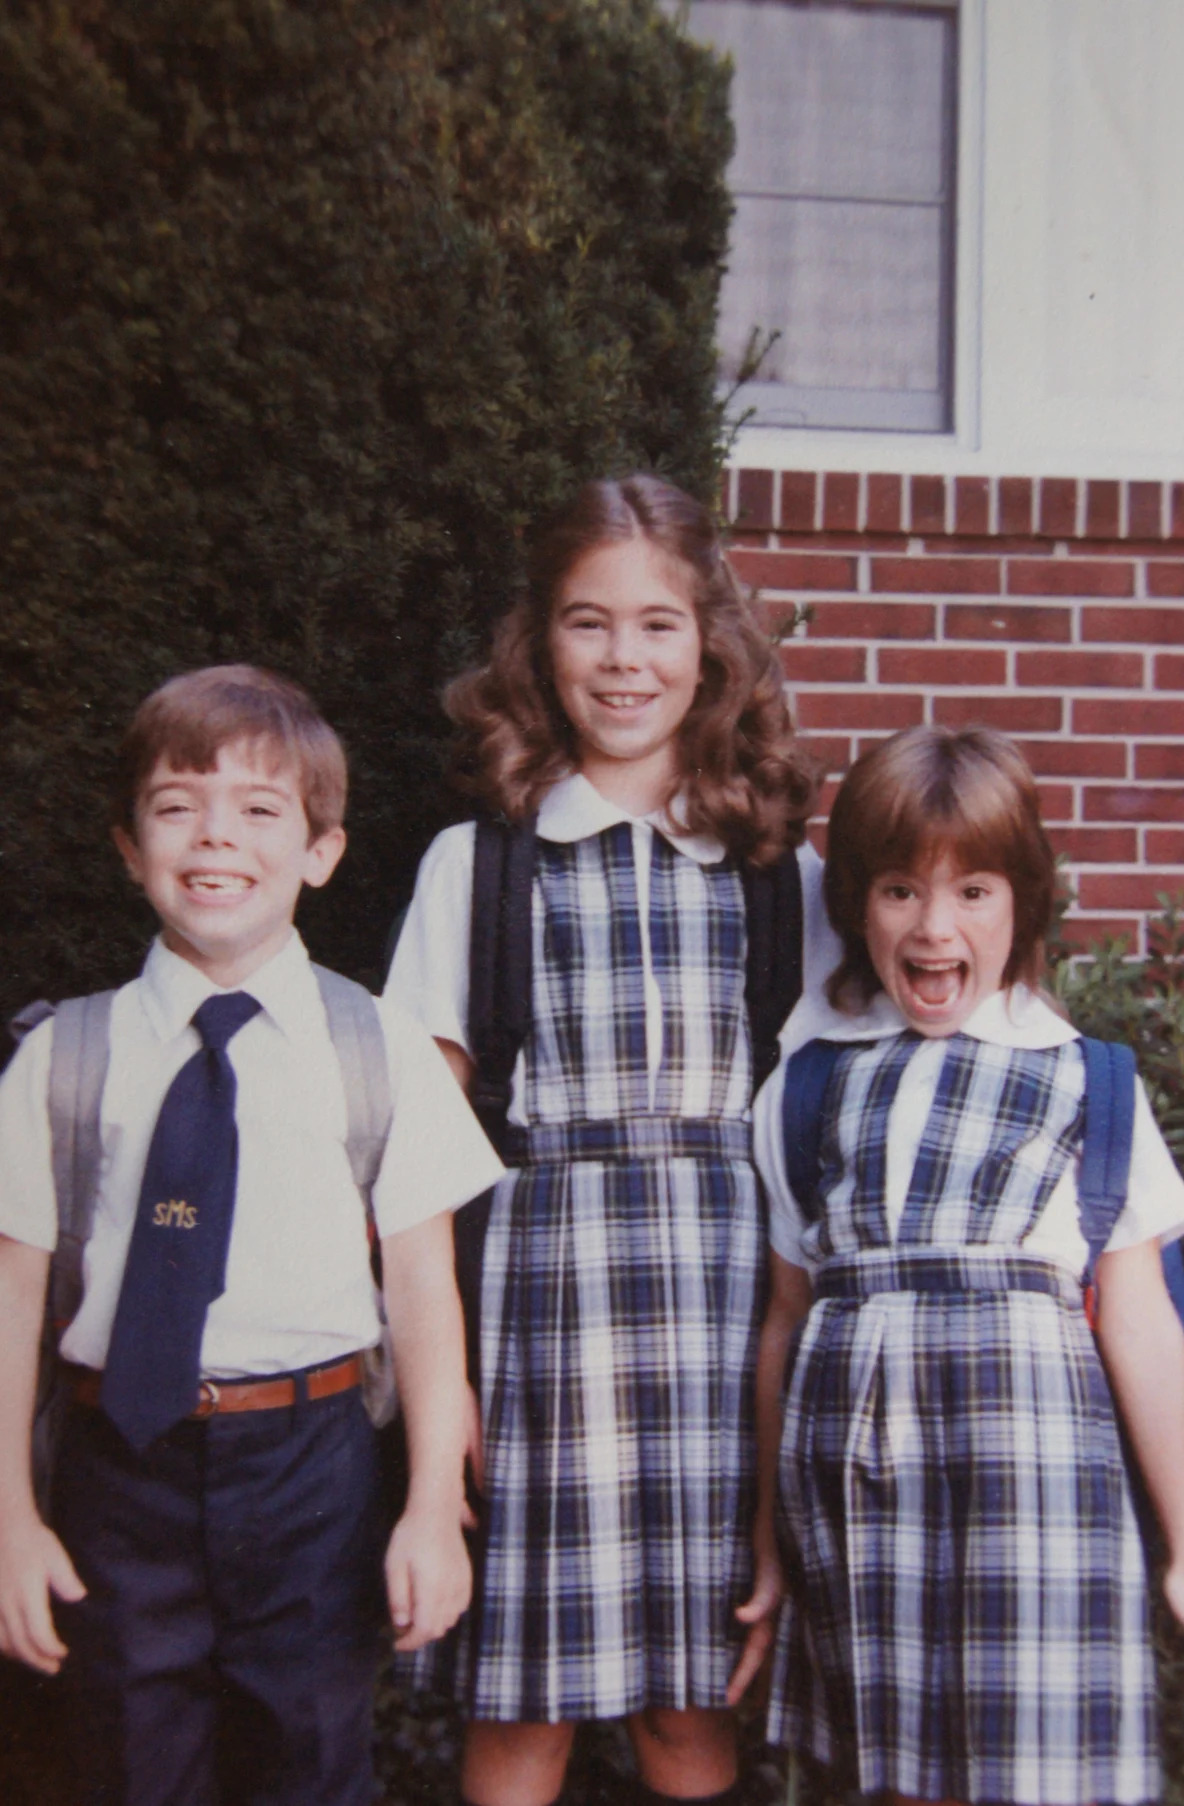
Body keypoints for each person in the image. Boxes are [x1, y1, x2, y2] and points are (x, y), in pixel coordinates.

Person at [385, 474, 840, 1806]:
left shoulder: (782, 879)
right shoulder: (482, 866)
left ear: (713, 648)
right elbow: (416, 1165)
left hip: (726, 1333)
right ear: (540, 645)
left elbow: (839, 1126)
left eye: (658, 624)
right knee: (521, 1710)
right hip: (540, 1324)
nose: (624, 659)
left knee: (687, 1712)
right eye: (589, 622)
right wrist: (444, 1394)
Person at [0, 665, 504, 1806]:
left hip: (313, 1470)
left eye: (260, 809)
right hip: (118, 1470)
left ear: (322, 851)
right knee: (129, 1771)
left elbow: (425, 1298)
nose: (216, 836)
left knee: (312, 1767)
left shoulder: (377, 1048)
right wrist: (11, 1523)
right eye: (177, 806)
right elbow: (12, 1305)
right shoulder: (62, 1059)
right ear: (128, 846)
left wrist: (432, 1507)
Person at [738, 723, 1184, 1806]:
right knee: (893, 1772)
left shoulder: (1089, 1081)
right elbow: (786, 1320)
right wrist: (767, 1537)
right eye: (900, 890)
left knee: (1033, 1767)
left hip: (1036, 1482)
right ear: (856, 904)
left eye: (974, 892)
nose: (935, 926)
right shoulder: (807, 1083)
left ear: (1023, 903)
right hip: (855, 1480)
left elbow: (1140, 1320)